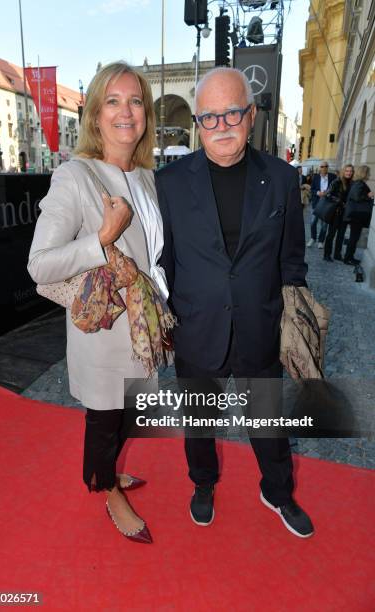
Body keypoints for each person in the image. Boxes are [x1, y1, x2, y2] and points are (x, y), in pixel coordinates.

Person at [155, 67, 314, 538]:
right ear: (197, 123)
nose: (221, 125)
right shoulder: (170, 181)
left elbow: (293, 260)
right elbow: (166, 258)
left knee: (268, 423)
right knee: (199, 421)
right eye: (209, 117)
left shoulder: (283, 179)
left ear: (250, 116)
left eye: (232, 113)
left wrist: (292, 318)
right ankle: (203, 483)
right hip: (197, 325)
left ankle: (278, 492)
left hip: (258, 326)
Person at [28, 62, 164, 544]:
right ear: (95, 115)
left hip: (145, 330)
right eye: (113, 100)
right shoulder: (75, 176)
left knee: (129, 415)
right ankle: (108, 489)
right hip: (105, 335)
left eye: (135, 101)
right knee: (106, 418)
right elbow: (39, 264)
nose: (125, 111)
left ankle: (100, 474)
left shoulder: (148, 178)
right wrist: (101, 239)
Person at [343, 165, 374, 265]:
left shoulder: (358, 183)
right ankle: (348, 258)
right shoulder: (359, 183)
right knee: (354, 238)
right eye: (368, 172)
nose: (369, 174)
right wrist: (368, 196)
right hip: (356, 215)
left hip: (357, 215)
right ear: (364, 173)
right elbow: (357, 197)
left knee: (354, 237)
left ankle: (350, 257)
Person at [323, 164, 354, 262]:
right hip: (336, 213)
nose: (349, 173)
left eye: (350, 171)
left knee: (341, 235)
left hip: (345, 214)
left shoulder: (352, 183)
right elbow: (328, 194)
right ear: (343, 171)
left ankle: (337, 254)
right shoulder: (337, 182)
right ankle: (327, 254)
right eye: (347, 171)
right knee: (331, 234)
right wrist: (340, 201)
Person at [307, 161, 336, 248]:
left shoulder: (333, 177)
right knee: (313, 222)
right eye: (322, 166)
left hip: (327, 203)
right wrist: (318, 192)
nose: (324, 168)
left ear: (328, 167)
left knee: (324, 224)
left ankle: (321, 241)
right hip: (317, 203)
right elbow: (312, 189)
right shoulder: (315, 177)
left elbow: (335, 189)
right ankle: (313, 238)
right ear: (320, 168)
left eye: (325, 166)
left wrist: (328, 193)